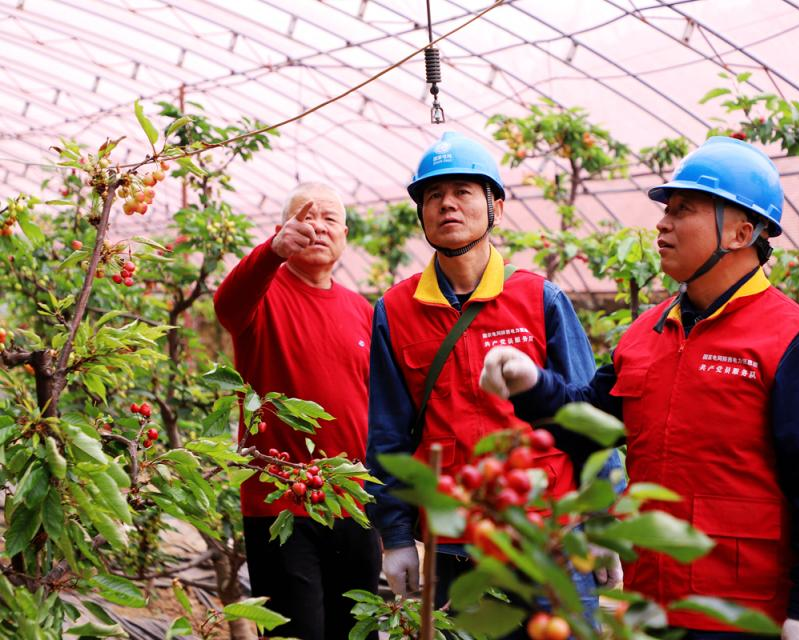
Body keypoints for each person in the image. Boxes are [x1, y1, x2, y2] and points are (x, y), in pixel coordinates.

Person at [480, 136, 799, 640]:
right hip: (650, 608)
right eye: (666, 210)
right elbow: (588, 423)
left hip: (744, 617)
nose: (662, 223)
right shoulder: (647, 333)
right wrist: (531, 384)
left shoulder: (795, 341)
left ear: (741, 232)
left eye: (683, 210)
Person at [365, 132, 623, 631]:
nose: (447, 205)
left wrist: (603, 516)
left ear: (495, 208)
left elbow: (589, 419)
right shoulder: (394, 313)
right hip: (457, 545)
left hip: (551, 536)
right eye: (433, 196)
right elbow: (387, 435)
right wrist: (395, 537)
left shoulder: (540, 299)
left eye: (462, 191)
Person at [213, 183, 381, 640]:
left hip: (352, 502)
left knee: (356, 631)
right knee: (297, 631)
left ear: (344, 234)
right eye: (307, 218)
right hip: (281, 501)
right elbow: (226, 303)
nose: (319, 227)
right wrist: (269, 253)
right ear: (282, 230)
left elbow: (375, 402)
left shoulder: (361, 309)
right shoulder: (260, 295)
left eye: (329, 219)